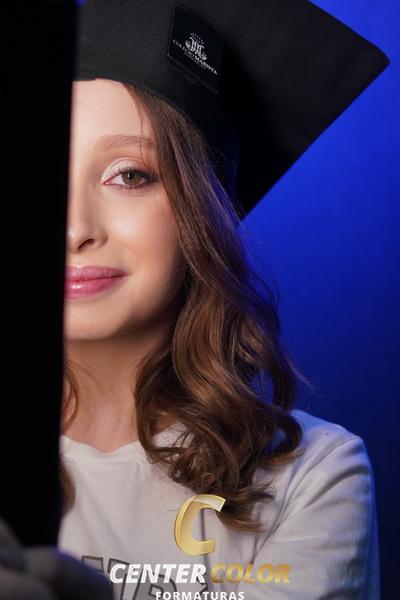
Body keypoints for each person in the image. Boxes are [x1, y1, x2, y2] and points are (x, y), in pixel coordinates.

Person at [0, 1, 389, 598]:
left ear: (200, 214)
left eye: (129, 175)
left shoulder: (310, 475)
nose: (74, 228)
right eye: (42, 174)